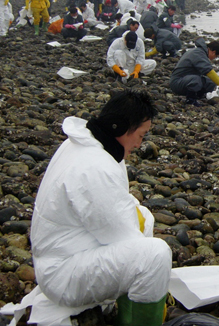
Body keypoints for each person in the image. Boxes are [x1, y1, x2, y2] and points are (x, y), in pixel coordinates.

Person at [27, 90, 171, 326]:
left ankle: (131, 301)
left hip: (64, 255)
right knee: (155, 256)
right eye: (141, 135)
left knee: (143, 217)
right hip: (63, 276)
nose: (139, 144)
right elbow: (121, 235)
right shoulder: (95, 168)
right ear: (119, 127)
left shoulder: (87, 145)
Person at [169, 38, 219, 106]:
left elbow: (207, 73)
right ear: (213, 52)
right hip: (177, 83)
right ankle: (191, 100)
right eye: (216, 56)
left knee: (210, 82)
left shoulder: (201, 52)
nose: (215, 58)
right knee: (196, 80)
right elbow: (208, 71)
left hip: (186, 79)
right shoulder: (198, 53)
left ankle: (199, 96)